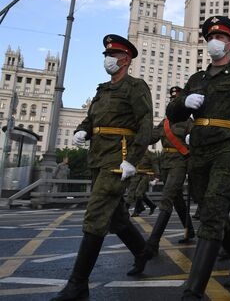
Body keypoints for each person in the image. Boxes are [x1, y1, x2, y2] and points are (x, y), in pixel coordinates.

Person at [166, 16, 230, 298]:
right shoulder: (196, 78)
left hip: (228, 149)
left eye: (221, 37)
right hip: (199, 152)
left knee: (212, 212)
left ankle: (194, 290)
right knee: (211, 212)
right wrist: (182, 102)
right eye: (211, 37)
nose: (214, 42)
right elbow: (172, 114)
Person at [52, 34, 153, 301]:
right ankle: (143, 251)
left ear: (125, 59)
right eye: (106, 55)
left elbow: (145, 124)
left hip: (117, 162)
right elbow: (90, 118)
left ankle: (78, 284)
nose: (107, 59)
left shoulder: (136, 86)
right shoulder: (102, 90)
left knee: (95, 216)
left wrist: (132, 158)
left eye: (112, 55)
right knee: (117, 217)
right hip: (97, 159)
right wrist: (82, 130)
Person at [146, 86, 195, 256]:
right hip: (165, 162)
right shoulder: (165, 122)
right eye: (172, 99)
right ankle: (190, 230)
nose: (174, 101)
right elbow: (152, 137)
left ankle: (153, 242)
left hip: (180, 163)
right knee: (177, 200)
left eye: (177, 99)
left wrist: (192, 139)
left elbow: (195, 143)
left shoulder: (189, 122)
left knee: (166, 198)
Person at [126, 150, 158, 217]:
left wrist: (155, 178)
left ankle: (137, 210)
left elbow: (155, 167)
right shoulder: (136, 153)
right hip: (137, 174)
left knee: (139, 193)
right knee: (131, 192)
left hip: (146, 175)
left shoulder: (150, 154)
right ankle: (151, 205)